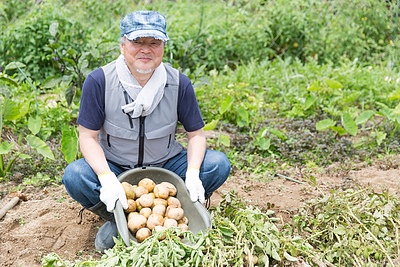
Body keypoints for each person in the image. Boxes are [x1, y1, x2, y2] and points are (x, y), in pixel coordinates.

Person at [62, 10, 231, 252]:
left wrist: (192, 173)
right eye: (137, 42)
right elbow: (87, 137)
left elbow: (196, 136)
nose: (146, 49)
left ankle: (174, 209)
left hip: (167, 165)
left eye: (154, 42)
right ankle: (119, 218)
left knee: (218, 164)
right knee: (76, 175)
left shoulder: (178, 83)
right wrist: (107, 178)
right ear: (122, 45)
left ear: (163, 47)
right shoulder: (100, 81)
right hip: (117, 166)